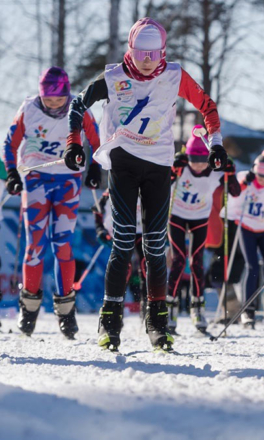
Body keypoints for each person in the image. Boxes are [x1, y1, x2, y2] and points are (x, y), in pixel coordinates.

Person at [67, 17, 227, 352]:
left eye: (154, 53)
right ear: (131, 49)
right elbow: (77, 105)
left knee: (156, 246)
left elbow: (208, 108)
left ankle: (157, 322)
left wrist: (216, 145)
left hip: (159, 166)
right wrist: (73, 143)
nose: (147, 60)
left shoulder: (174, 75)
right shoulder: (113, 76)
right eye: (141, 52)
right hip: (123, 163)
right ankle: (110, 322)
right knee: (123, 240)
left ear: (163, 51)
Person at [3, 67, 101, 339]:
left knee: (62, 243)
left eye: (59, 100)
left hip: (67, 181)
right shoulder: (29, 109)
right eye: (49, 100)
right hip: (35, 179)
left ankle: (66, 311)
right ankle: (29, 308)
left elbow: (96, 140)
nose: (55, 105)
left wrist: (95, 168)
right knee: (35, 245)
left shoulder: (78, 109)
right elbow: (9, 144)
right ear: (41, 94)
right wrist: (12, 172)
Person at [168, 133, 239, 334]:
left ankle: (197, 309)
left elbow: (235, 192)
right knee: (179, 261)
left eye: (202, 161)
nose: (198, 165)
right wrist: (174, 167)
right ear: (187, 157)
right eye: (193, 160)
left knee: (197, 262)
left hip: (200, 217)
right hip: (177, 216)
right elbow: (164, 182)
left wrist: (231, 172)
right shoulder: (181, 168)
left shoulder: (216, 170)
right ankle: (169, 308)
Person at [227, 149, 264, 330]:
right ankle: (248, 310)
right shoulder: (247, 178)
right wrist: (245, 183)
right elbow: (234, 193)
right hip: (247, 227)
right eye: (261, 177)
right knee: (251, 265)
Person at [92, 189, 145, 316]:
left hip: (142, 230)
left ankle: (147, 306)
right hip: (120, 230)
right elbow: (97, 209)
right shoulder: (111, 190)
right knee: (123, 266)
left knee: (145, 265)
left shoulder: (147, 184)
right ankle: (116, 306)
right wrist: (100, 230)